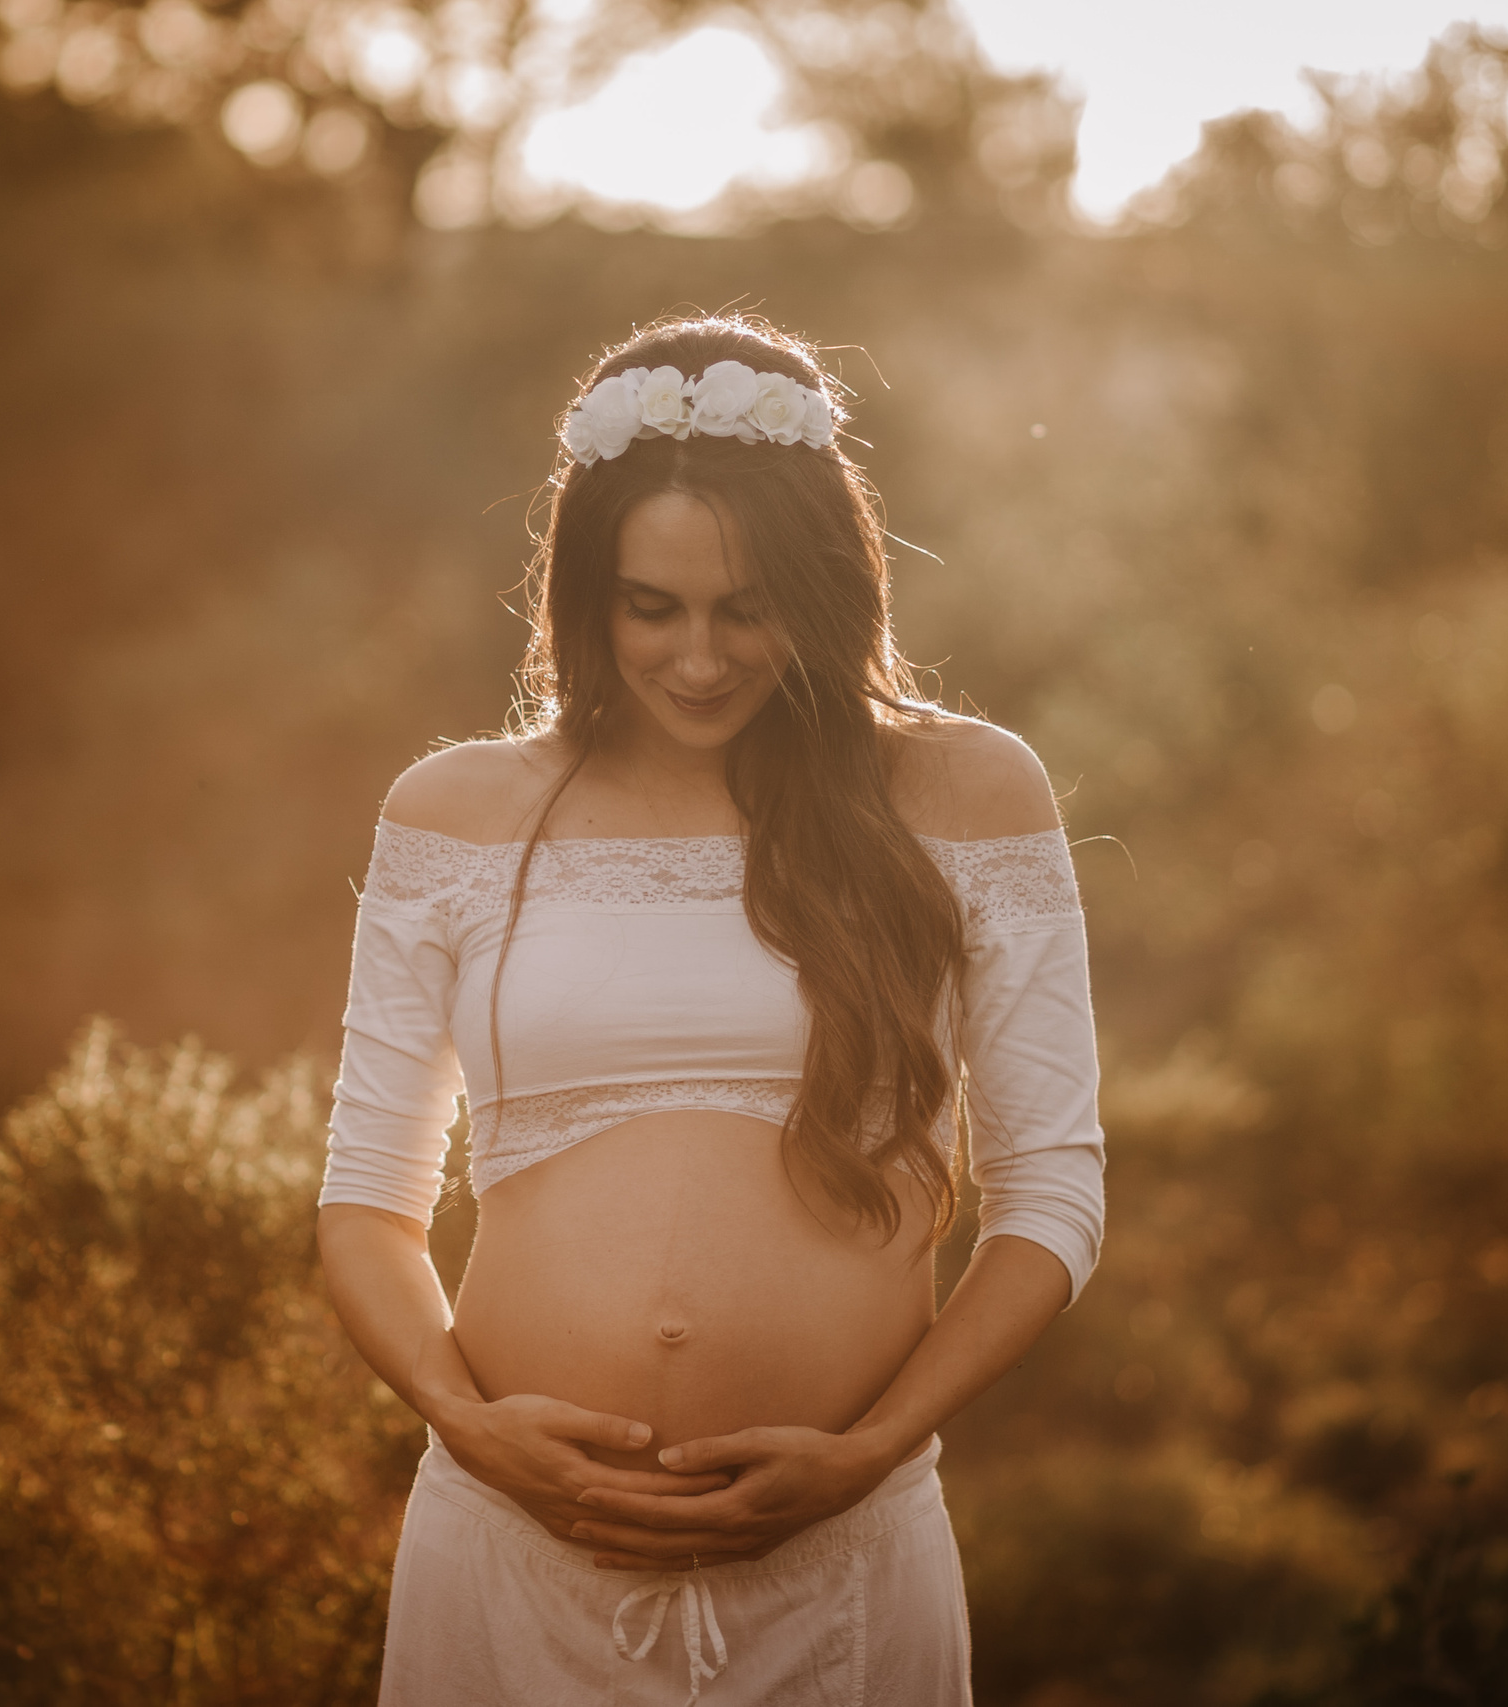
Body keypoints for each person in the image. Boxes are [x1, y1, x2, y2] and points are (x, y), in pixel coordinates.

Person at [315, 314, 1105, 1706]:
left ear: (827, 586)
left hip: (843, 1566)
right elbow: (367, 1198)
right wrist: (465, 1421)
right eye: (652, 607)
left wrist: (871, 1452)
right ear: (586, 598)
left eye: (747, 607)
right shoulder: (454, 813)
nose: (698, 656)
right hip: (509, 1555)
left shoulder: (968, 796)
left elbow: (1051, 1193)